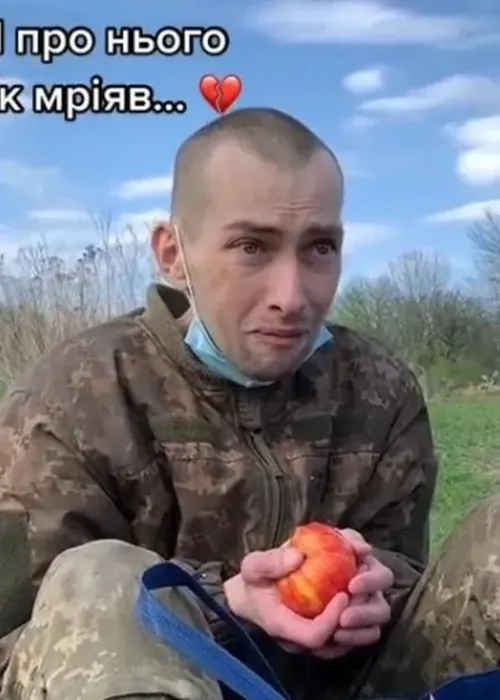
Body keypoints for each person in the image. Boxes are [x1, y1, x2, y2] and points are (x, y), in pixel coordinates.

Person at [0, 107, 497, 700]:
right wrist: (224, 602)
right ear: (172, 253)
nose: (292, 297)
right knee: (99, 573)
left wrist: (374, 589)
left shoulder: (381, 387)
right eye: (251, 247)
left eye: (319, 248)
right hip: (161, 681)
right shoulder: (69, 399)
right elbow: (24, 641)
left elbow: (414, 578)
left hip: (358, 686)